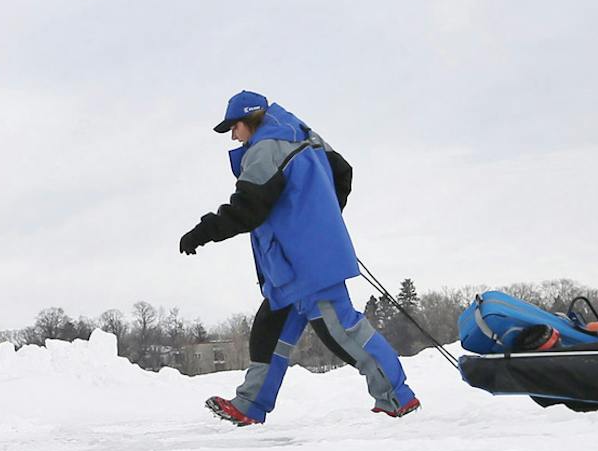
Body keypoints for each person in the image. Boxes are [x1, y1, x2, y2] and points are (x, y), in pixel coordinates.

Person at [178, 89, 420, 426]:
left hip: (306, 262)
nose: (233, 135)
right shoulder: (304, 133)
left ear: (250, 120)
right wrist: (322, 216)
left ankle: (397, 397)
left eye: (234, 127)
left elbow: (247, 210)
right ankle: (250, 405)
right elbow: (342, 172)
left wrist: (202, 232)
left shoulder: (265, 148)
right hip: (291, 263)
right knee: (268, 331)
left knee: (342, 330)